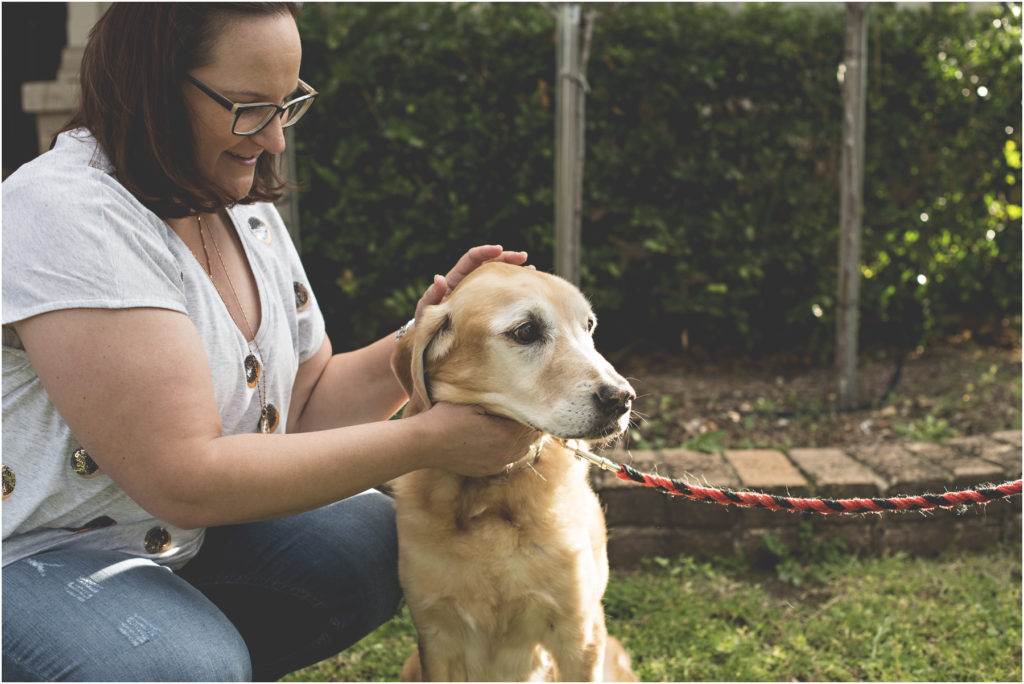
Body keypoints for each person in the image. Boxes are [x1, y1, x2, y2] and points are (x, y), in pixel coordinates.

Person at [1, 3, 538, 681]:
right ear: (151, 86)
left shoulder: (237, 204)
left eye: (286, 104)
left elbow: (307, 408)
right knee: (186, 668)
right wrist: (428, 440)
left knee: (368, 539)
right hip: (26, 552)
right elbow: (185, 480)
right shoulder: (67, 214)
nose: (277, 138)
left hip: (168, 539)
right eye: (250, 108)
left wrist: (432, 335)